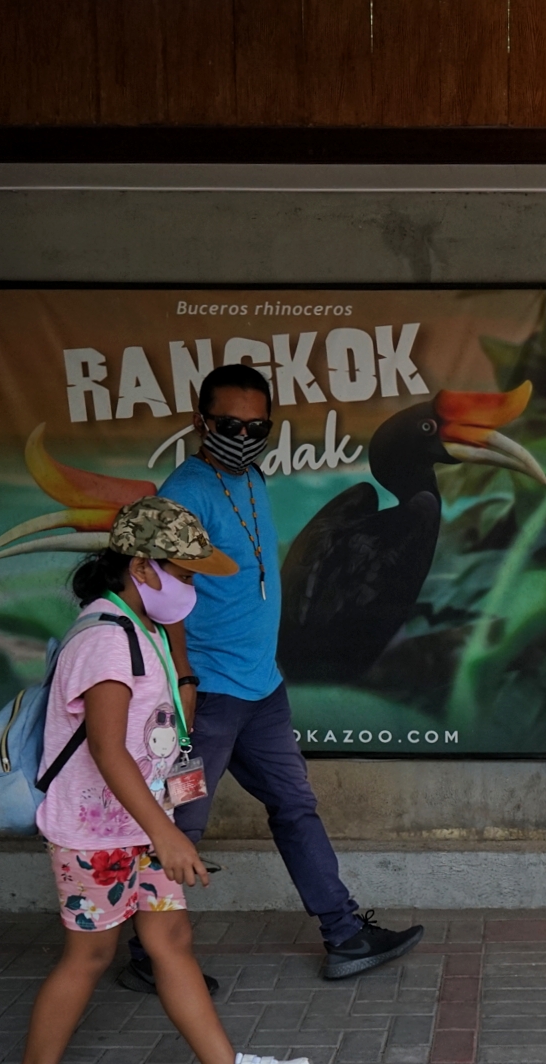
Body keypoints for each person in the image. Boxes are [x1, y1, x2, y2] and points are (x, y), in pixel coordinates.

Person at [0, 496, 309, 1064]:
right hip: (97, 834)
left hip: (136, 827)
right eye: (184, 575)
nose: (191, 589)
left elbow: (166, 728)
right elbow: (108, 749)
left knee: (169, 942)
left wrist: (179, 642)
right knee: (89, 955)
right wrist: (167, 833)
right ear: (141, 567)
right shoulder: (105, 641)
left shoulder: (142, 630)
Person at [156, 363, 424, 981]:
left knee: (296, 807)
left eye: (257, 427)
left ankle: (345, 934)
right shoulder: (184, 494)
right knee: (181, 822)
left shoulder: (251, 476)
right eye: (229, 425)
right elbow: (163, 596)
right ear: (201, 421)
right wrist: (185, 684)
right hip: (210, 699)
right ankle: (151, 955)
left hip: (262, 688)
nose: (244, 437)